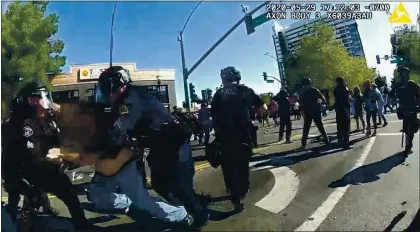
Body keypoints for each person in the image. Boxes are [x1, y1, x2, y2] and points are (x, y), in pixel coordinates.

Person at [81, 66, 208, 229]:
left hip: (175, 145)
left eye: (108, 90)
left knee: (180, 185)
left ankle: (198, 215)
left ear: (118, 85)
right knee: (159, 183)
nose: (107, 95)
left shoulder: (132, 99)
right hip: (158, 146)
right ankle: (183, 209)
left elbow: (120, 127)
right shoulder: (123, 100)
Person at [1, 81, 93, 230]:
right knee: (28, 208)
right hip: (29, 173)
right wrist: (15, 179)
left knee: (70, 197)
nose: (46, 101)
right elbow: (10, 155)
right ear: (30, 100)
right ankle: (18, 219)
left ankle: (82, 225)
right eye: (40, 96)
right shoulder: (18, 124)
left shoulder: (49, 118)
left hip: (50, 170)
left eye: (46, 95)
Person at [211, 66, 265, 212]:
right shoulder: (243, 90)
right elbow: (262, 107)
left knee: (228, 165)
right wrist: (254, 117)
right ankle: (241, 191)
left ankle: (234, 195)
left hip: (223, 136)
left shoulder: (218, 94)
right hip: (241, 134)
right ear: (237, 77)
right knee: (242, 164)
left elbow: (213, 116)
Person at [299, 77, 329, 149]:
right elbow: (323, 99)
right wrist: (319, 102)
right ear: (310, 83)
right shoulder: (315, 90)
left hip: (307, 112)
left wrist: (302, 112)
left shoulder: (302, 93)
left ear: (303, 84)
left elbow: (301, 104)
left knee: (306, 128)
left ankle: (303, 144)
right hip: (316, 110)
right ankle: (326, 140)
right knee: (320, 126)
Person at [396, 67, 420, 155]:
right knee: (406, 129)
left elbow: (418, 96)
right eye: (400, 73)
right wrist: (400, 107)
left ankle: (408, 145)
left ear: (407, 73)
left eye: (403, 72)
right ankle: (408, 145)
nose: (401, 74)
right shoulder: (399, 85)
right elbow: (398, 96)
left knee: (412, 128)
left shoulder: (413, 84)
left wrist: (417, 106)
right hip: (404, 110)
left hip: (412, 109)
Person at [333, 77, 351, 149]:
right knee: (346, 127)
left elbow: (336, 100)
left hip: (338, 109)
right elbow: (347, 100)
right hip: (345, 108)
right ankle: (346, 143)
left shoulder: (335, 90)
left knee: (339, 125)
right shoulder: (345, 89)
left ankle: (340, 140)